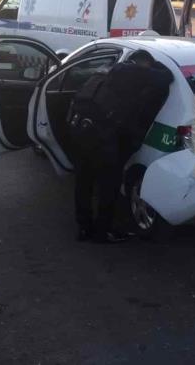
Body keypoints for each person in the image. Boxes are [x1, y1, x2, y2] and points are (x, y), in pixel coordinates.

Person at [67, 50, 174, 243]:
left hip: (81, 131)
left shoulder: (107, 71)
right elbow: (166, 77)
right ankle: (103, 232)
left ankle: (84, 228)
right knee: (109, 185)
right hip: (102, 139)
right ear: (144, 63)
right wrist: (158, 65)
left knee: (84, 182)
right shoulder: (136, 71)